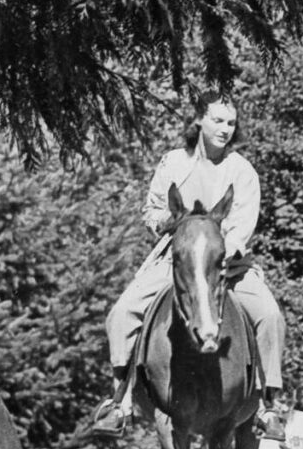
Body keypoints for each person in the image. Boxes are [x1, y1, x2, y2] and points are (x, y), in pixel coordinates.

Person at [96, 90, 287, 427]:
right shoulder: (173, 162)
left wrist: (227, 251)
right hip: (178, 262)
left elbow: (242, 225)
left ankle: (269, 404)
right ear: (200, 120)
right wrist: (165, 222)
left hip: (226, 266)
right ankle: (120, 401)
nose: (225, 129)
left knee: (270, 315)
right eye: (218, 120)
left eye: (231, 123)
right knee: (122, 313)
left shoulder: (241, 171)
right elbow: (153, 209)